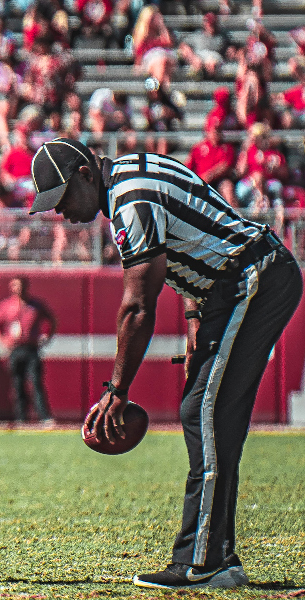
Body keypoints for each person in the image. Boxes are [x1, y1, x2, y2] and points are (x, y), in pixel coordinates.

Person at [28, 138, 302, 589]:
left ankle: (202, 561)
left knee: (204, 412)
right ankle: (220, 558)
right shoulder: (135, 170)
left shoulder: (128, 200)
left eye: (61, 199)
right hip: (238, 283)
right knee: (212, 415)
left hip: (250, 280)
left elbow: (137, 306)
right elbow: (191, 237)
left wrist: (116, 390)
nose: (60, 213)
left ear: (84, 174)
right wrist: (196, 319)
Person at [0, 277, 56, 425]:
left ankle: (44, 417)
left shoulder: (35, 305)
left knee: (36, 382)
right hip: (15, 349)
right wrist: (2, 339)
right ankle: (21, 418)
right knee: (17, 384)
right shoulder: (7, 305)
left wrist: (47, 337)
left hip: (31, 348)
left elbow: (52, 320)